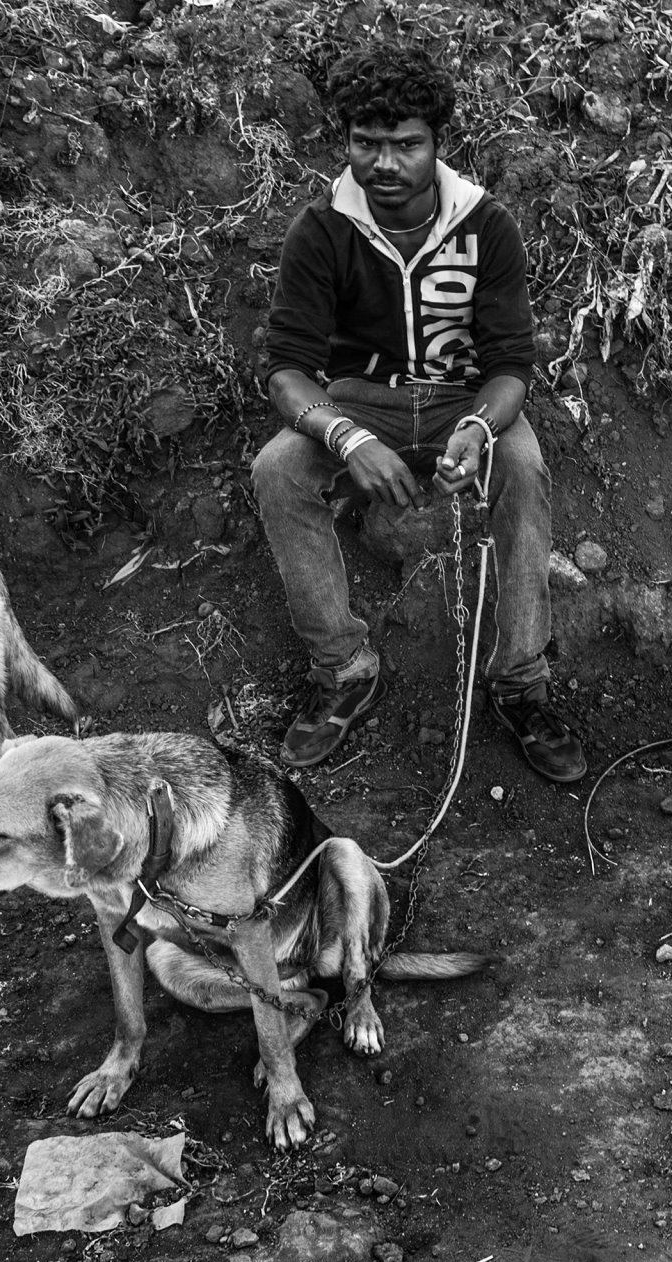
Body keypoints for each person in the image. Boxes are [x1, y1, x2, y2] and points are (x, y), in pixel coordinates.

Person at [253, 43, 587, 782]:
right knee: (278, 469)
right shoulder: (322, 230)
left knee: (524, 466)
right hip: (356, 400)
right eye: (367, 144)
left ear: (438, 145)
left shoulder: (485, 226)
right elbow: (284, 369)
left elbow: (509, 365)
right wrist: (345, 436)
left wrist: (475, 427)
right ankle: (343, 669)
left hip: (460, 402)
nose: (384, 164)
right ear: (346, 143)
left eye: (406, 145)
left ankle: (521, 681)